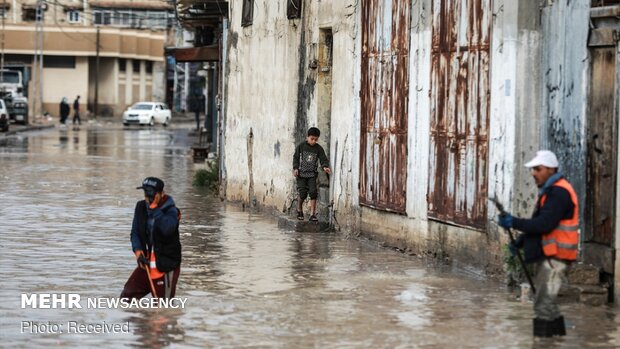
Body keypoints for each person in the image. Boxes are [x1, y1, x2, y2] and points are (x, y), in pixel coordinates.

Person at [497, 150, 579, 337]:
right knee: (548, 303)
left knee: (543, 304)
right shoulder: (550, 191)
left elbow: (544, 224)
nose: (533, 173)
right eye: (533, 169)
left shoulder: (559, 193)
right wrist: (521, 241)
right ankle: (556, 340)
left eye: (537, 169)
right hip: (550, 256)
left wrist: (514, 222)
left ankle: (543, 343)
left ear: (550, 169)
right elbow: (541, 222)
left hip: (555, 258)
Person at [120, 177, 182, 299]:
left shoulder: (172, 211)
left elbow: (167, 229)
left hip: (167, 263)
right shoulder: (140, 207)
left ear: (161, 194)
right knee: (127, 296)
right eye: (146, 193)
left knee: (163, 308)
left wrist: (156, 210)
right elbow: (135, 232)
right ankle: (139, 318)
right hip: (148, 260)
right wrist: (138, 252)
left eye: (151, 194)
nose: (148, 198)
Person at [292, 127, 331, 221]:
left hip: (312, 175)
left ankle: (313, 214)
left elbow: (323, 158)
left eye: (316, 139)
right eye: (312, 139)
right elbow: (296, 158)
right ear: (307, 137)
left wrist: (325, 166)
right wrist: (295, 168)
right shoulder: (301, 146)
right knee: (302, 193)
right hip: (301, 175)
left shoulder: (318, 149)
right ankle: (299, 209)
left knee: (313, 193)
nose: (313, 141)